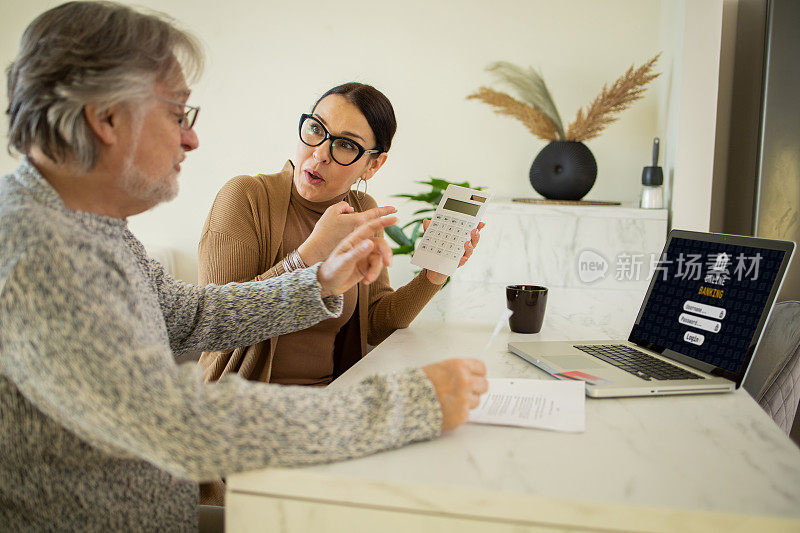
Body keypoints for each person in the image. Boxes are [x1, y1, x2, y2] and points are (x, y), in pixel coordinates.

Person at [0, 2, 488, 530]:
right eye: (177, 113)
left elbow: (190, 314)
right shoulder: (41, 250)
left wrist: (320, 280)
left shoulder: (90, 226)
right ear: (107, 119)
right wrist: (410, 404)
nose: (191, 138)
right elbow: (179, 423)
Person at [198, 82, 485, 387]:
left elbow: (375, 324)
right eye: (316, 129)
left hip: (327, 402)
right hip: (239, 406)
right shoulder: (245, 196)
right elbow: (218, 323)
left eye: (346, 145)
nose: (320, 153)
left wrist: (434, 275)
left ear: (372, 165)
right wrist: (310, 254)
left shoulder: (362, 211)